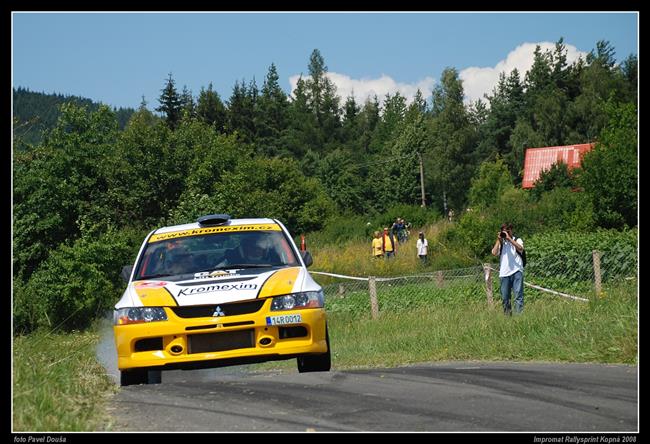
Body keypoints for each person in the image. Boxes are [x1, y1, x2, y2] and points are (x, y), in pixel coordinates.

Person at [491, 222, 525, 315]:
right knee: (505, 298)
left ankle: (519, 317)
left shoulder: (517, 239)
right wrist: (498, 240)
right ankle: (507, 317)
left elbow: (521, 248)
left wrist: (509, 239)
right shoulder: (501, 243)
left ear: (511, 230)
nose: (505, 233)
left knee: (518, 295)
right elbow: (494, 253)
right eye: (503, 231)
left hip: (517, 271)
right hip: (504, 273)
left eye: (507, 231)